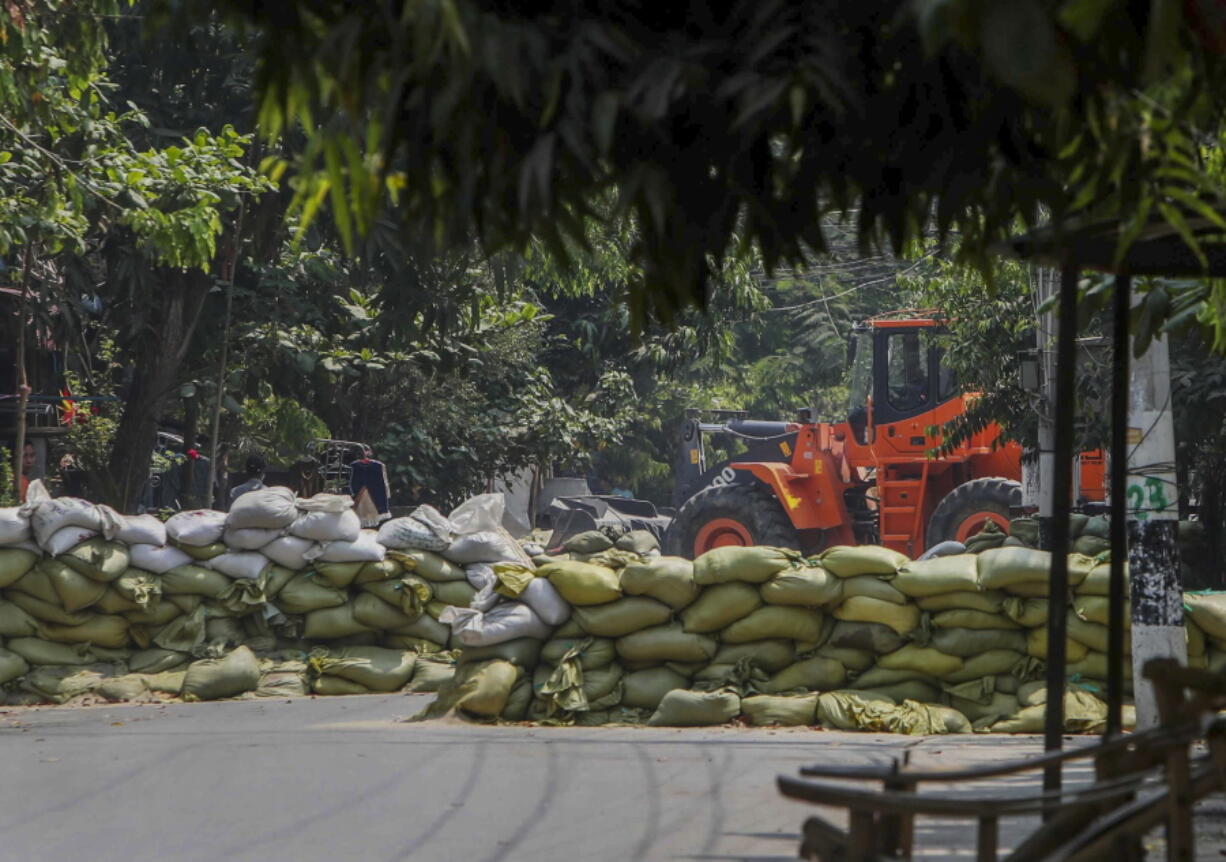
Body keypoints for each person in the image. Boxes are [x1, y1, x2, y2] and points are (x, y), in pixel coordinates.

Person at [349, 446, 391, 526]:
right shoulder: (379, 466)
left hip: (359, 495)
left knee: (358, 516)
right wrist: (387, 495)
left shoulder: (353, 466)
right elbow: (385, 484)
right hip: (375, 495)